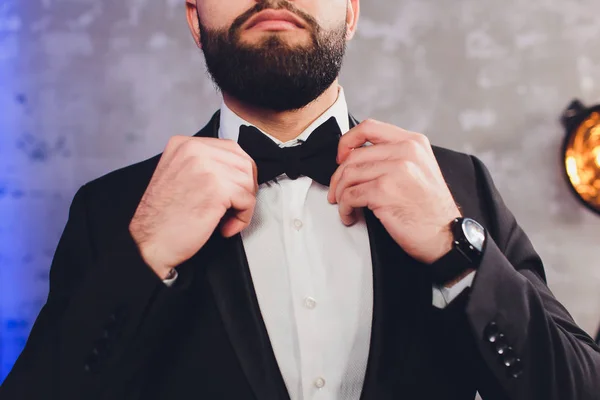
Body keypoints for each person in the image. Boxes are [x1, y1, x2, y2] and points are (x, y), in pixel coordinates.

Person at [0, 0, 599, 399]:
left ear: (352, 11)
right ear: (193, 16)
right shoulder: (112, 210)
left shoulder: (457, 185)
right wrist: (144, 255)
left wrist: (456, 249)